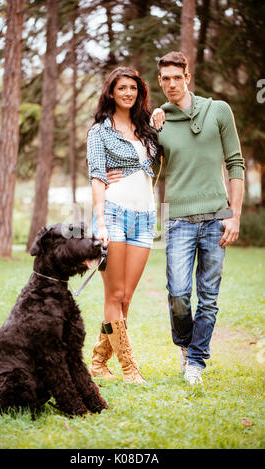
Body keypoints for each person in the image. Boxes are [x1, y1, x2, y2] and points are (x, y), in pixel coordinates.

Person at [107, 52, 245, 385]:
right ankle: (185, 347)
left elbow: (236, 163)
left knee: (208, 297)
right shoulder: (159, 121)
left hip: (216, 218)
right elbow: (148, 168)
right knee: (179, 294)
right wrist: (116, 176)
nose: (170, 84)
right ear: (160, 81)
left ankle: (196, 361)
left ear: (188, 77)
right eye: (164, 79)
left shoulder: (218, 111)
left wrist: (235, 215)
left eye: (176, 77)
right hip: (178, 220)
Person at [86, 66, 161, 384]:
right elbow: (97, 176)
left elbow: (155, 161)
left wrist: (159, 117)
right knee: (114, 294)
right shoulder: (99, 132)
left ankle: (98, 361)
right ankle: (130, 368)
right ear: (111, 93)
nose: (128, 93)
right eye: (122, 88)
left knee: (126, 297)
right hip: (113, 215)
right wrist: (100, 221)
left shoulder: (146, 128)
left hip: (145, 217)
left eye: (133, 87)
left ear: (139, 91)